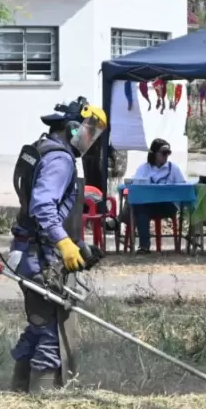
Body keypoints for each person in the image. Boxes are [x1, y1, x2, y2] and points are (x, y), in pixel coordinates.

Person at [10, 96, 108, 393]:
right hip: (38, 255)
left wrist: (75, 245)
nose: (90, 140)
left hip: (26, 248)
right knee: (51, 331)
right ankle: (43, 398)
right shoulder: (60, 159)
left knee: (38, 325)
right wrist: (65, 245)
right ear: (74, 127)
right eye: (90, 132)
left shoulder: (42, 148)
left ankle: (17, 391)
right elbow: (42, 206)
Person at [127, 138, 187, 254]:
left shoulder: (173, 169)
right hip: (148, 205)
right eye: (163, 153)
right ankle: (144, 247)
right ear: (154, 153)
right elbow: (136, 186)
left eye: (168, 153)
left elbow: (182, 187)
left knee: (141, 209)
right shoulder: (144, 169)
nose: (166, 156)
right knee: (140, 209)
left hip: (167, 205)